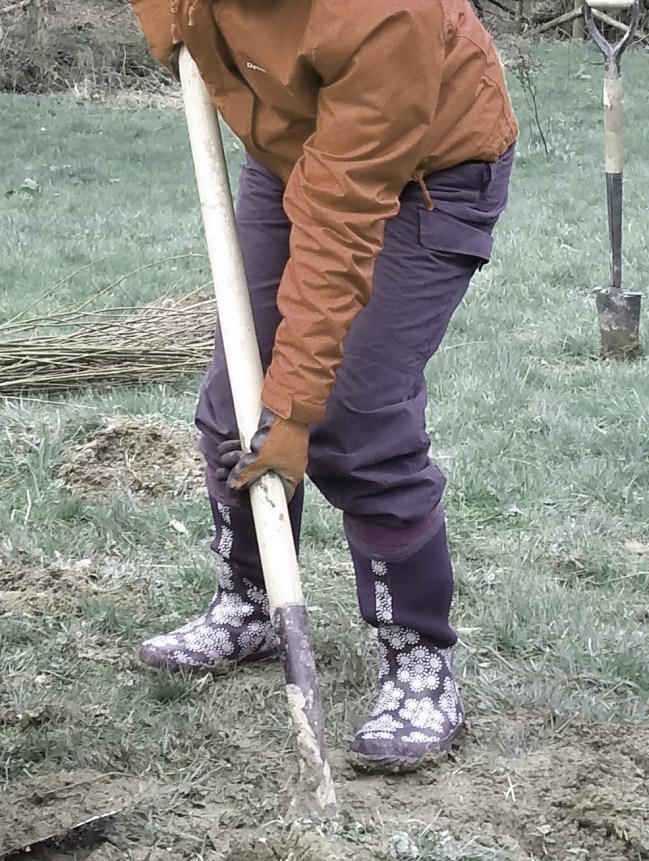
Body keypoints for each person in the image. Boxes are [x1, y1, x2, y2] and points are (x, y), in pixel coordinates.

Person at [127, 0, 519, 773]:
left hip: (429, 170)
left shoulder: (383, 13)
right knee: (235, 404)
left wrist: (298, 405)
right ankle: (251, 599)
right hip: (291, 147)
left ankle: (418, 660)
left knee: (352, 417)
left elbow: (342, 215)